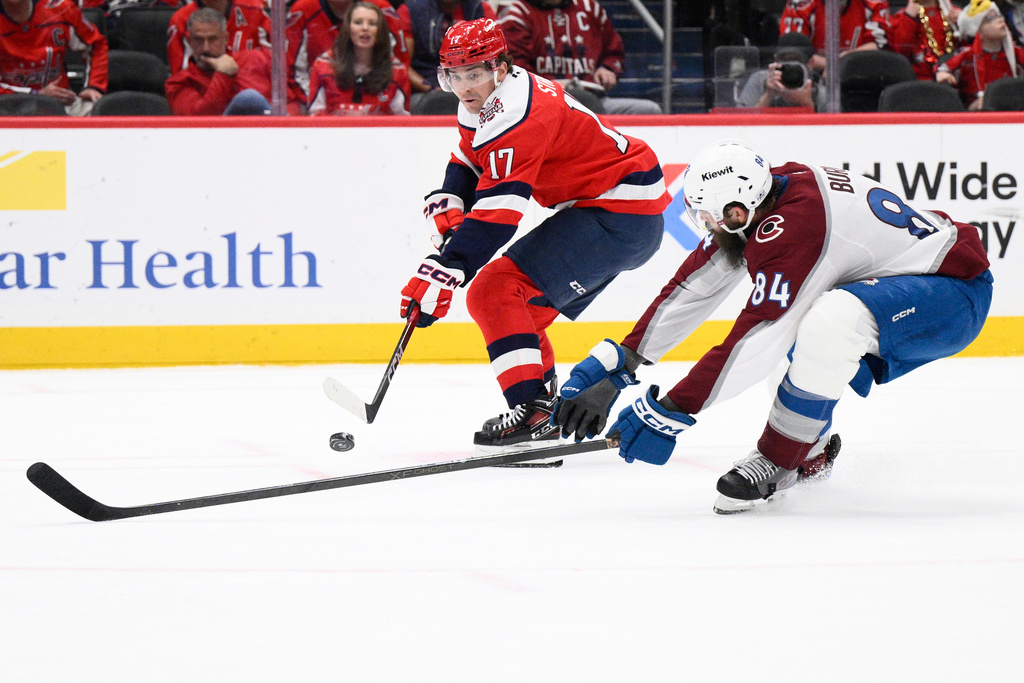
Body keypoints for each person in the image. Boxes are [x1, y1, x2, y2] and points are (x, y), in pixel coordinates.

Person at [552, 139, 992, 513]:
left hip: (951, 296)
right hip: (914, 283)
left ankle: (778, 460)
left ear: (739, 210)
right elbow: (697, 285)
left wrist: (669, 411)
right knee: (804, 343)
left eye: (710, 218)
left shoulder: (794, 229)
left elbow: (755, 341)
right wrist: (621, 361)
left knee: (827, 320)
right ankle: (811, 455)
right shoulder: (774, 189)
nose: (707, 228)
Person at [398, 19, 669, 457]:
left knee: (492, 292)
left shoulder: (517, 115)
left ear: (501, 67)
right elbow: (469, 157)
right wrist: (451, 195)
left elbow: (499, 214)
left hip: (621, 210)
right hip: (612, 206)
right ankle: (544, 408)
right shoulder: (487, 98)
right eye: (454, 75)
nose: (465, 87)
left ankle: (533, 414)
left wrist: (447, 270)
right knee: (518, 313)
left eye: (475, 74)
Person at [497, 0, 663, 115]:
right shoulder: (516, 15)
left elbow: (614, 50)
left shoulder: (590, 8)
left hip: (595, 99)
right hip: (545, 104)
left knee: (650, 110)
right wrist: (547, 86)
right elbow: (515, 71)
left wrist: (608, 69)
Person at [286, 0, 411, 113]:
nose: (365, 28)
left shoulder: (397, 72)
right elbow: (316, 116)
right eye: (358, 23)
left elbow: (402, 122)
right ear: (347, 29)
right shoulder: (323, 67)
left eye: (372, 23)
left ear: (381, 31)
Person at [0, 0, 108, 115]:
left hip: (61, 100)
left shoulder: (60, 7)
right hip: (8, 103)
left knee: (97, 114)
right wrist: (36, 94)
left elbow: (97, 44)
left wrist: (94, 85)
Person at [164, 7, 277, 115]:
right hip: (215, 134)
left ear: (226, 38)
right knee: (248, 99)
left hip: (270, 132)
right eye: (199, 40)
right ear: (189, 41)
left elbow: (288, 100)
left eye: (213, 39)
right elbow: (199, 121)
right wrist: (224, 75)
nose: (206, 48)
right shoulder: (179, 83)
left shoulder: (256, 60)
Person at [398, 0, 495, 104]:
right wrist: (431, 88)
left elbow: (496, 59)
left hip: (476, 84)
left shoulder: (480, 10)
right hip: (427, 87)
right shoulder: (410, 11)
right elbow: (402, 66)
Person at [936, 0, 1024, 109]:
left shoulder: (1016, 53)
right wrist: (944, 74)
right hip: (977, 110)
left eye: (998, 15)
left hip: (1013, 106)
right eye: (990, 19)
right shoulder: (967, 55)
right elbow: (942, 69)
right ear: (978, 31)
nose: (1000, 20)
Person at [779, 0, 891, 75]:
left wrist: (843, 61)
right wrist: (831, 65)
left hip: (860, 73)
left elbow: (879, 44)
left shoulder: (874, 2)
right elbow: (794, 53)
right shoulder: (800, 4)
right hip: (812, 75)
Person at [166, 0, 269, 76]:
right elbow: (180, 82)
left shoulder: (255, 10)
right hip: (204, 96)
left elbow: (275, 70)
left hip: (251, 93)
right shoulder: (180, 21)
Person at [735, 32, 826, 111]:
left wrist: (806, 103)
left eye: (796, 61)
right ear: (775, 61)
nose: (789, 68)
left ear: (810, 63)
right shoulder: (759, 80)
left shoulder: (820, 93)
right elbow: (740, 126)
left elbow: (829, 129)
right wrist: (768, 96)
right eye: (784, 61)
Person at [889, 0, 964, 79]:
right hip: (918, 80)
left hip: (953, 75)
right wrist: (909, 17)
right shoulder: (901, 17)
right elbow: (900, 53)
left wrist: (964, 22)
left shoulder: (953, 12)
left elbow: (969, 50)